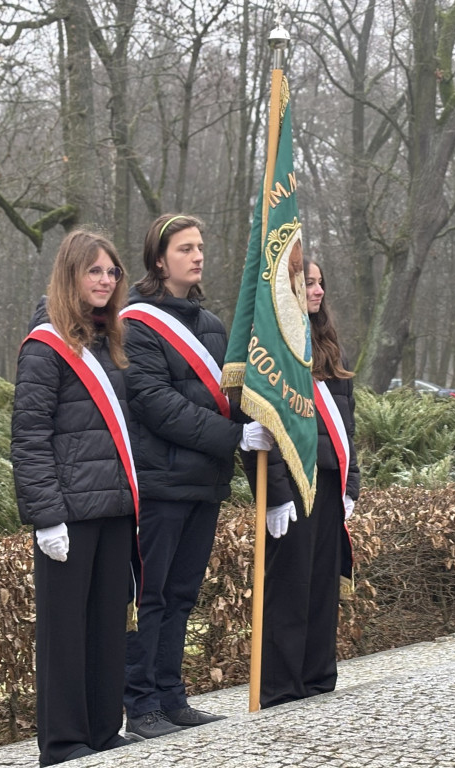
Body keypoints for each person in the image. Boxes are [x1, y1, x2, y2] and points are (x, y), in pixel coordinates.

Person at [120, 213, 273, 739]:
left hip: (205, 483)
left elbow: (228, 397)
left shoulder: (212, 325)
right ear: (159, 260)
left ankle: (172, 697)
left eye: (200, 246)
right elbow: (155, 403)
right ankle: (141, 706)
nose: (198, 255)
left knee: (183, 596)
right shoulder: (136, 324)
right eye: (185, 248)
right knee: (151, 597)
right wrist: (234, 437)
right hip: (159, 484)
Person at [11, 230, 138, 766]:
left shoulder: (111, 341)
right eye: (94, 271)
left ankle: (104, 732)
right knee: (64, 633)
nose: (105, 281)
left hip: (114, 509)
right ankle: (64, 743)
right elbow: (30, 438)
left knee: (108, 626)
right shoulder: (46, 347)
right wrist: (46, 518)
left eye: (111, 272)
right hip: (68, 514)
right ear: (71, 276)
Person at [244, 258, 359, 708]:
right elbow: (263, 428)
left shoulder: (331, 347)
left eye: (320, 283)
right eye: (308, 283)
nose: (318, 290)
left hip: (330, 479)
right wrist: (274, 494)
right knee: (289, 585)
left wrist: (351, 485)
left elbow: (348, 424)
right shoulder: (271, 350)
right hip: (292, 480)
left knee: (322, 585)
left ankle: (317, 680)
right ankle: (281, 688)